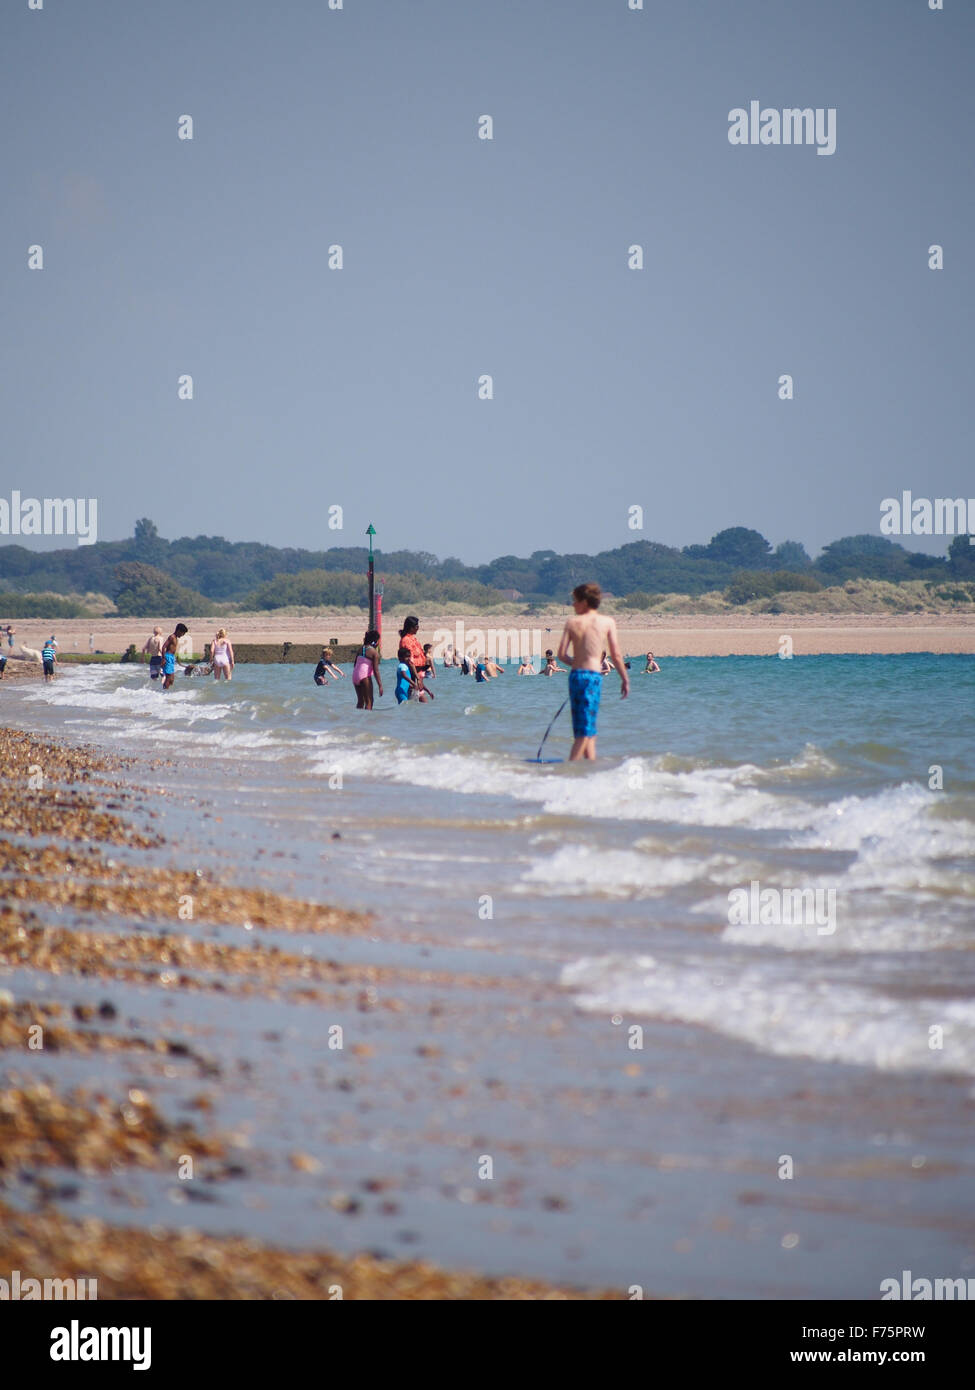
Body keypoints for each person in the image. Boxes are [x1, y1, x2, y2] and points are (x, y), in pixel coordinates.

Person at [557, 583, 628, 761]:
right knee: (586, 730)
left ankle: (590, 768)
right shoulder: (607, 622)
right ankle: (570, 770)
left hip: (575, 677)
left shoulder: (572, 622)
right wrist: (624, 679)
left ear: (585, 602)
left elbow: (561, 655)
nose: (573, 605)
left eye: (575, 601)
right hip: (592, 678)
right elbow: (616, 655)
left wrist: (576, 663)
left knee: (587, 728)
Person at [398, 616, 434, 699]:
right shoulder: (406, 640)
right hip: (413, 676)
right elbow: (410, 661)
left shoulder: (413, 639)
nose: (418, 628)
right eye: (417, 626)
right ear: (411, 628)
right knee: (414, 702)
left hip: (419, 675)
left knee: (419, 706)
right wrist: (417, 679)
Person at [352, 630, 383, 709]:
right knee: (369, 702)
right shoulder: (374, 653)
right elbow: (376, 670)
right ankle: (367, 721)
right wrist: (380, 685)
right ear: (375, 642)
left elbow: (355, 664)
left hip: (355, 676)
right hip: (364, 676)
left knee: (360, 701)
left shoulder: (360, 649)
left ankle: (358, 719)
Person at [161, 623, 188, 690]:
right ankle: (164, 691)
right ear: (179, 631)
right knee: (168, 677)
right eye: (182, 633)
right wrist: (164, 658)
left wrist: (175, 658)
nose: (182, 635)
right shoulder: (172, 637)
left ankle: (166, 690)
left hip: (171, 657)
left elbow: (172, 649)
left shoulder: (176, 638)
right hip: (167, 657)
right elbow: (163, 647)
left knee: (171, 680)